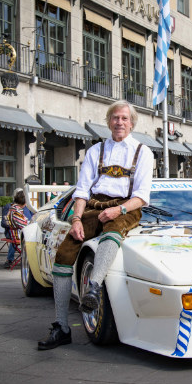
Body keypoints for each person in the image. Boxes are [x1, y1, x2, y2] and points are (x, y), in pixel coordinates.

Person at [38, 101, 153, 351]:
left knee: (112, 234)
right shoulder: (95, 151)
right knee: (64, 254)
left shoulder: (143, 152)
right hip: (93, 206)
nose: (119, 122)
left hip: (126, 207)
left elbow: (142, 196)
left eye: (124, 118)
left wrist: (118, 209)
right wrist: (77, 219)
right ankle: (61, 327)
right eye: (115, 118)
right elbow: (82, 190)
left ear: (131, 123)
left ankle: (93, 288)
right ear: (108, 121)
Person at [4, 188, 33, 268]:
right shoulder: (16, 211)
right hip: (19, 235)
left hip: (17, 233)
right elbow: (24, 225)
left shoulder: (14, 208)